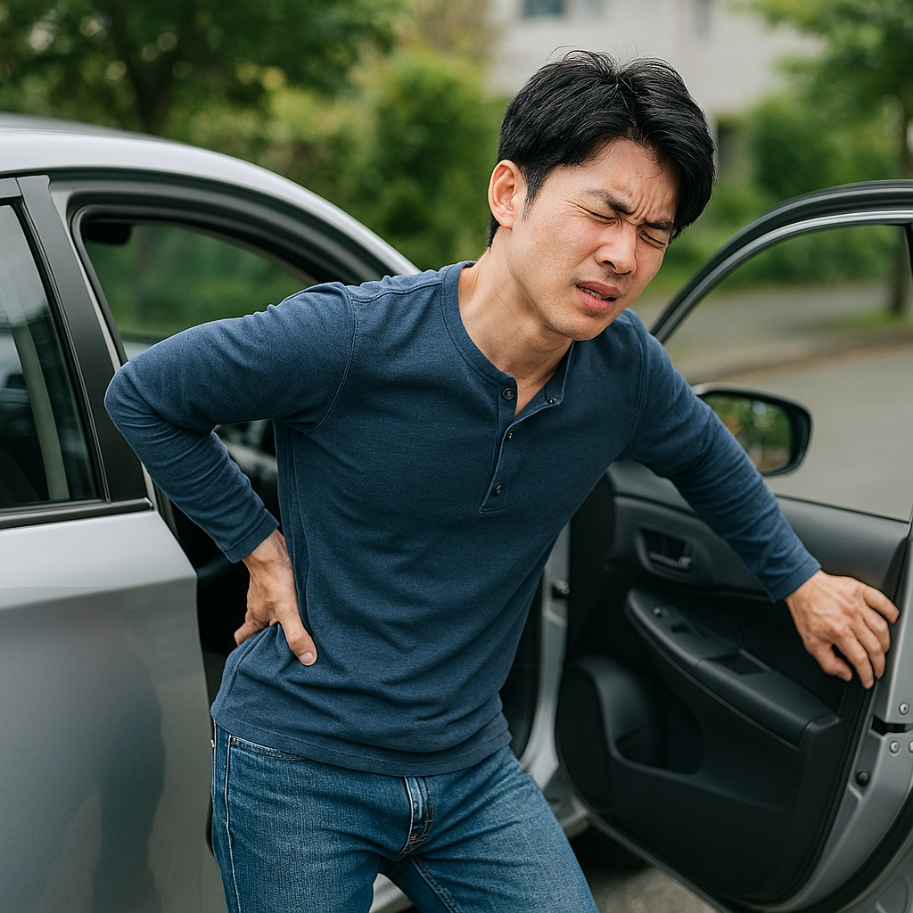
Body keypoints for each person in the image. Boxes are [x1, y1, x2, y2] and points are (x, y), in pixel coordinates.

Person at [105, 51, 898, 913]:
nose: (622, 256)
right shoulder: (348, 339)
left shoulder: (622, 368)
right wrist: (259, 546)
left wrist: (798, 580)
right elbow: (144, 395)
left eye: (654, 233)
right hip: (298, 767)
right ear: (508, 193)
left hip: (470, 770)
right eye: (604, 211)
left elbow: (708, 459)